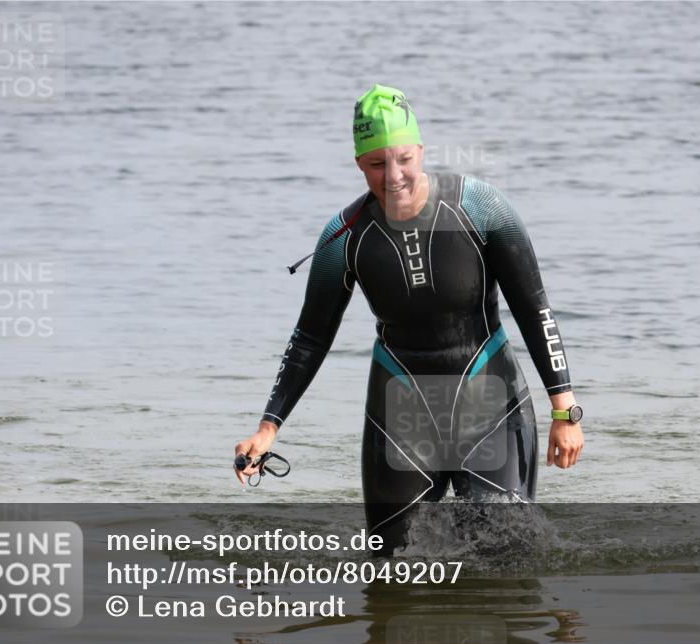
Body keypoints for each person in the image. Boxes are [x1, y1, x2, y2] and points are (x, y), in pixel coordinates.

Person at [235, 84, 584, 549]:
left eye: (403, 159)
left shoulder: (482, 209)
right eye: (377, 164)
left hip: (488, 400)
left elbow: (533, 307)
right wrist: (267, 427)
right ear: (359, 162)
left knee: (511, 561)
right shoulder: (343, 238)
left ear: (420, 150)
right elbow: (310, 338)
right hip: (399, 413)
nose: (393, 176)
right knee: (390, 569)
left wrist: (565, 409)